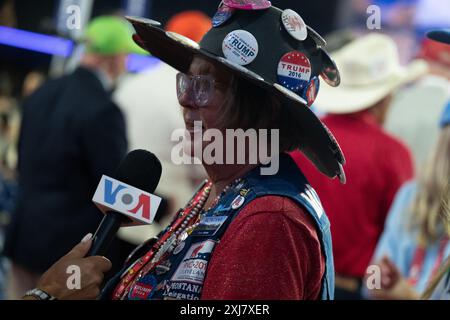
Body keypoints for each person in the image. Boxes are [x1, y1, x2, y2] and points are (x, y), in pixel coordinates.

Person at [21, 4, 346, 300]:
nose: (186, 99)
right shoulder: (218, 189)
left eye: (205, 86)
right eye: (187, 82)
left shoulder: (270, 218)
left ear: (265, 111)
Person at [2, 16, 140, 299]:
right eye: (125, 57)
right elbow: (111, 187)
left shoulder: (42, 92)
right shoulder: (103, 110)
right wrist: (160, 208)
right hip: (65, 255)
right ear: (113, 59)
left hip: (23, 236)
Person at [291, 33, 427, 299]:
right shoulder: (392, 153)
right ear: (383, 97)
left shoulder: (299, 139)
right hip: (353, 289)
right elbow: (400, 230)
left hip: (298, 283)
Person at [367, 99, 450, 300]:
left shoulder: (410, 195)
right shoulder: (410, 195)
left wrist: (405, 294)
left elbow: (371, 283)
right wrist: (381, 279)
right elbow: (372, 282)